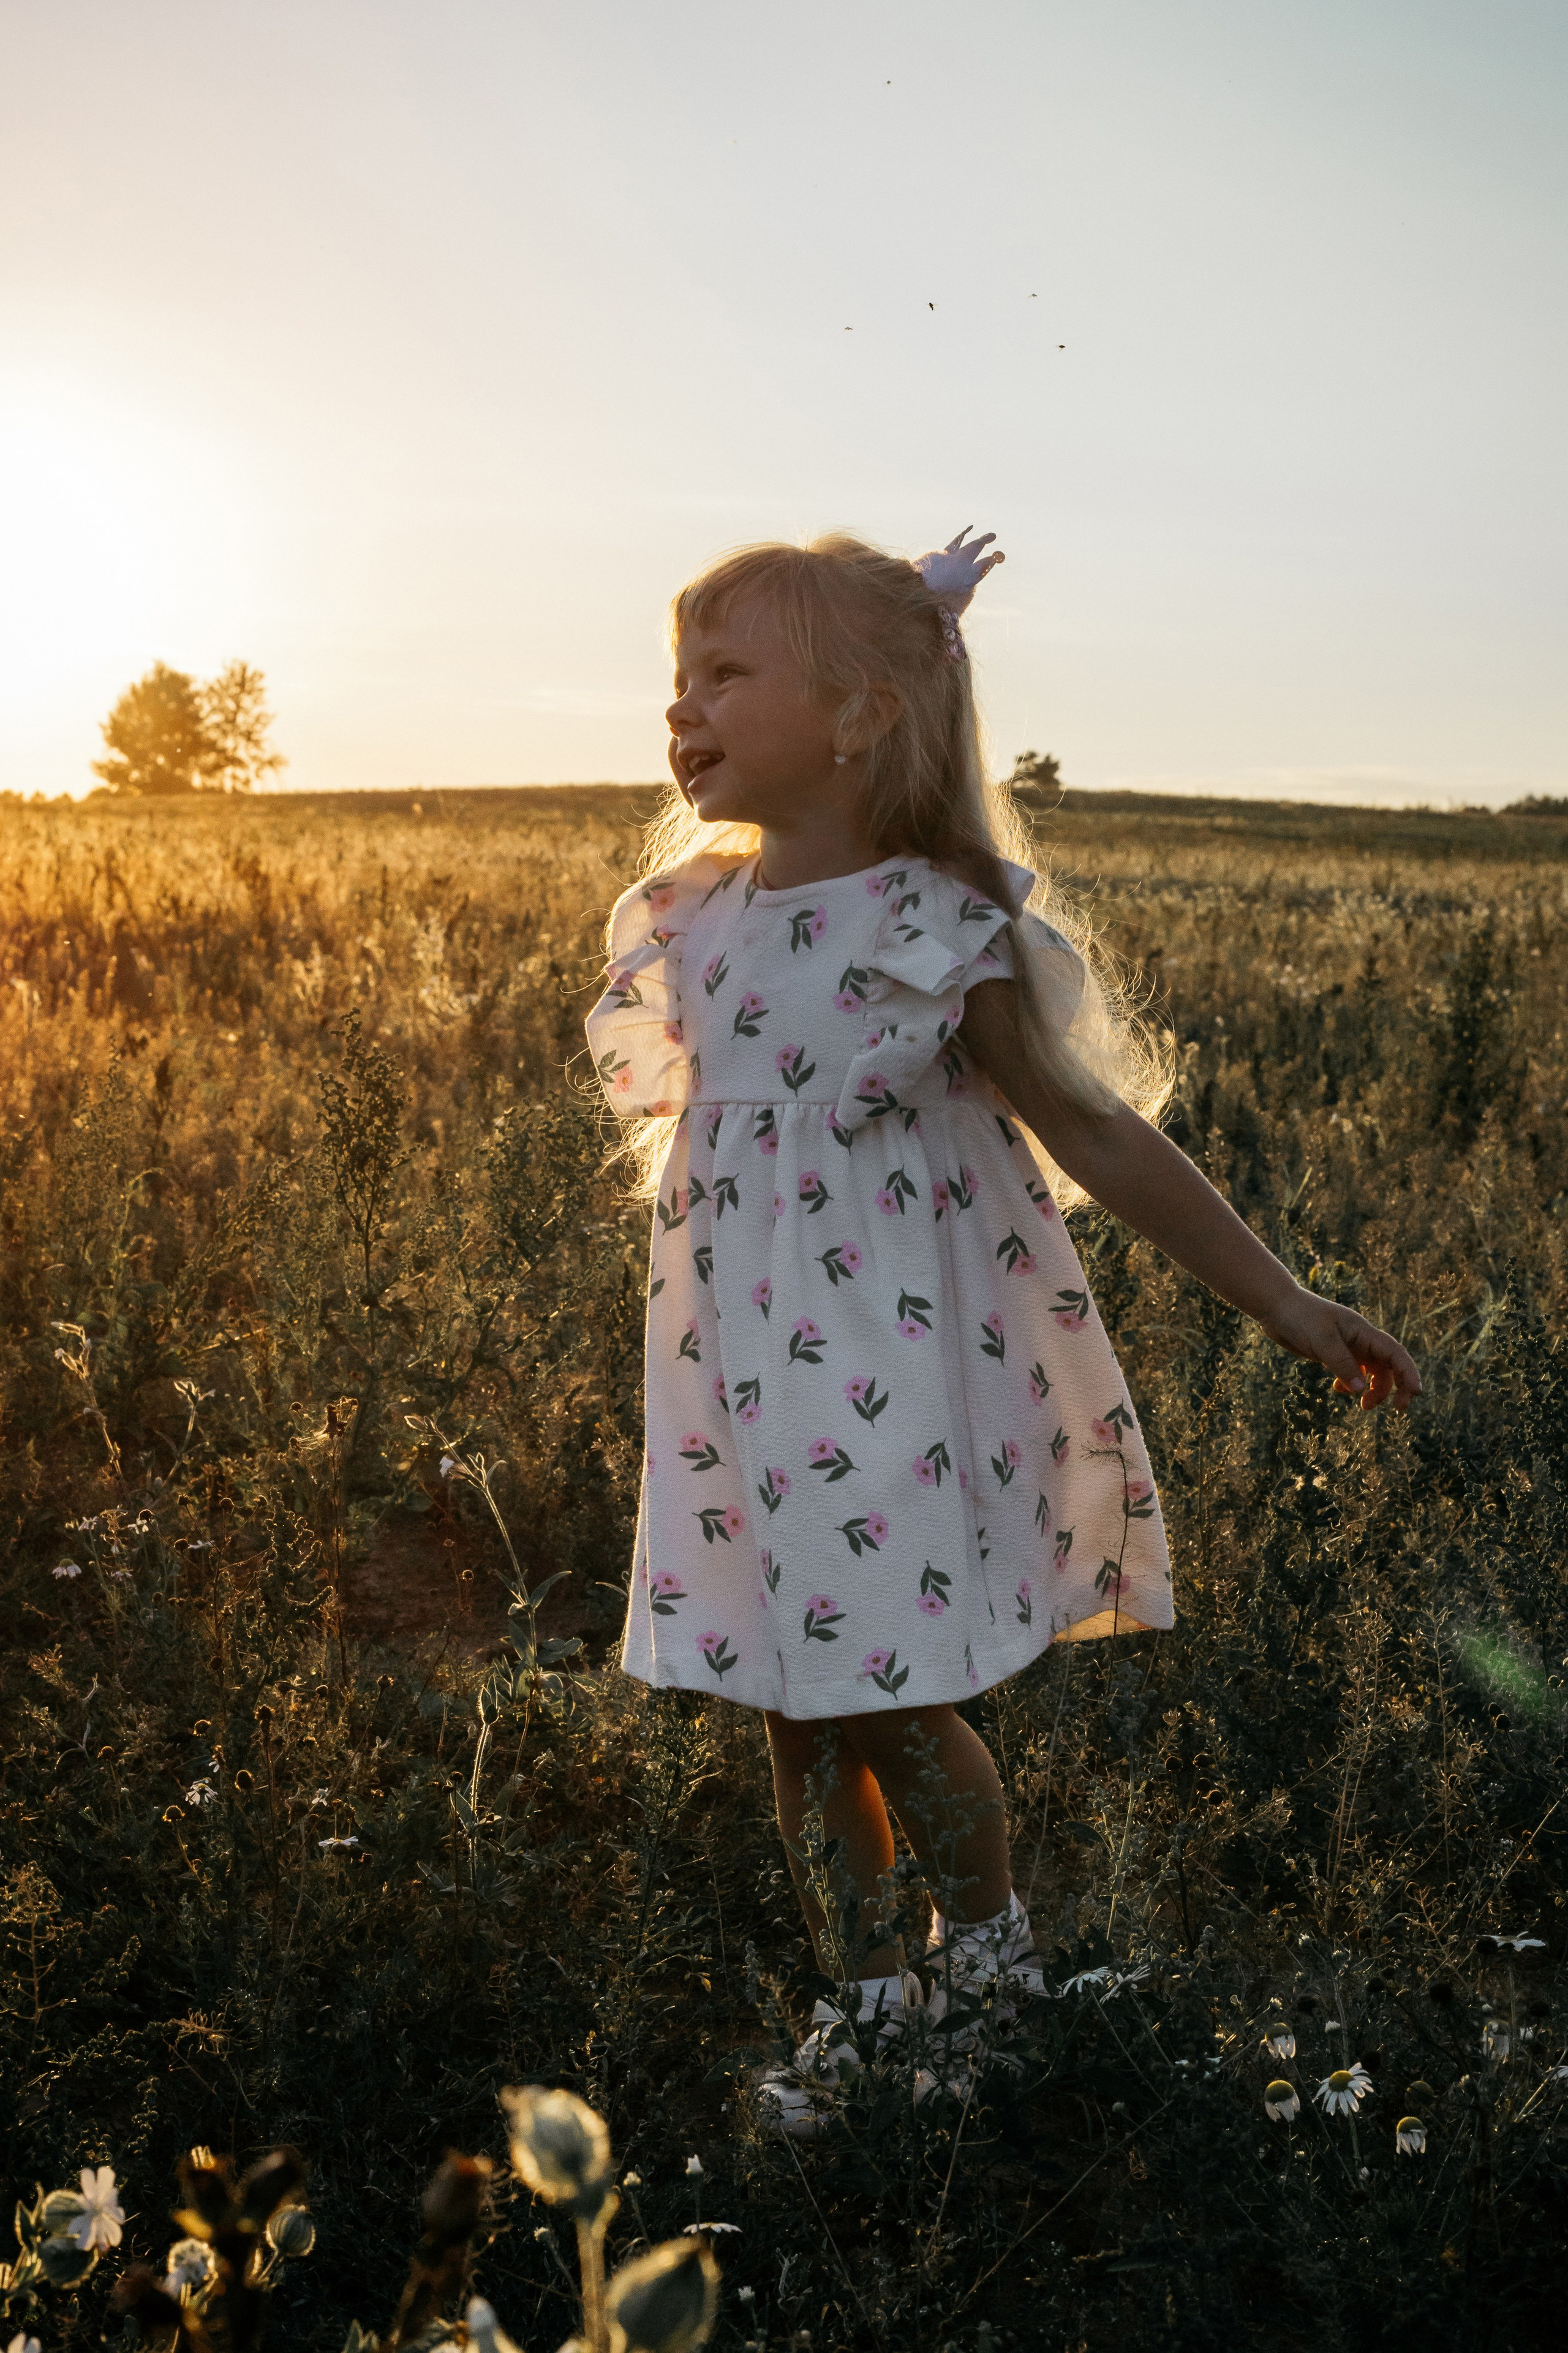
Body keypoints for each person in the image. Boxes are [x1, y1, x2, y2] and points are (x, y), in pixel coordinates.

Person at [585, 528, 1420, 2134]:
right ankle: (870, 2005)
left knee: (879, 1687)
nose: (681, 708)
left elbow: (1098, 1136)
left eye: (724, 673)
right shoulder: (692, 920)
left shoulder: (931, 926)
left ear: (857, 714)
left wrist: (1288, 1299)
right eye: (674, 678)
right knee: (791, 1693)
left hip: (896, 1374)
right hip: (749, 1378)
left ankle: (992, 1979)